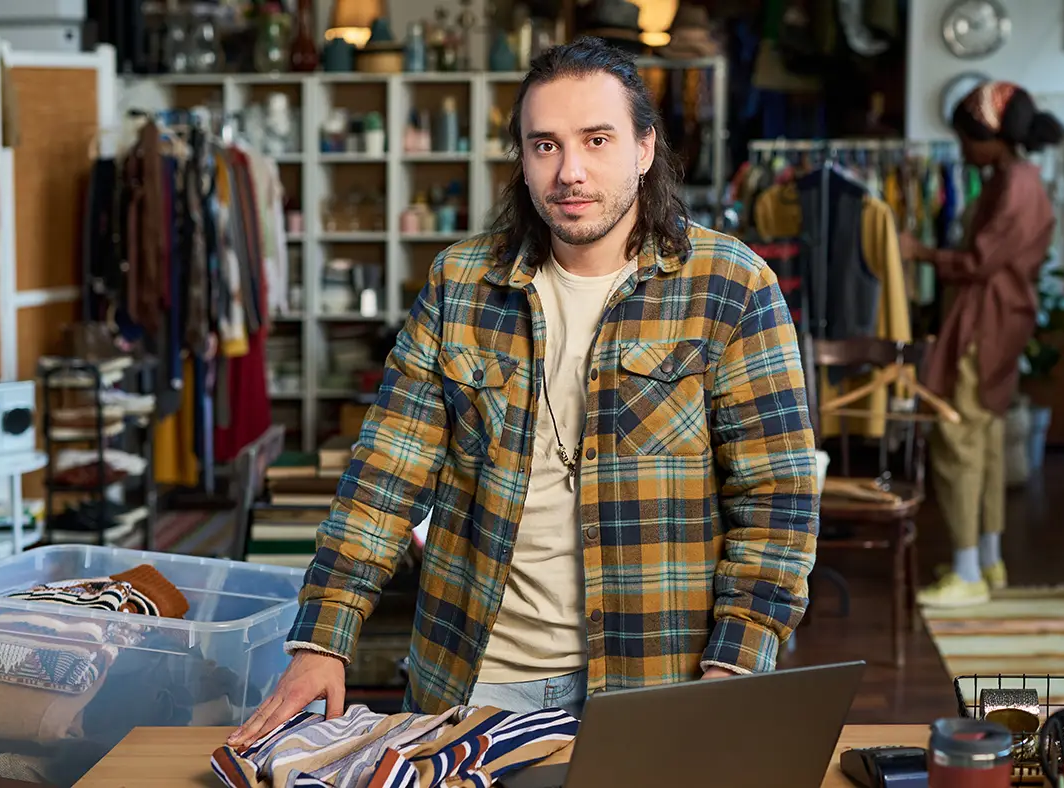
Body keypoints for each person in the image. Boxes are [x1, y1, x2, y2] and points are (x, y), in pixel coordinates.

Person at [227, 37, 818, 748]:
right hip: (473, 678)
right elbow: (385, 474)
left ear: (644, 148)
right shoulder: (460, 285)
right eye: (545, 146)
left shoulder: (732, 285)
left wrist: (735, 668)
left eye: (596, 140)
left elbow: (777, 501)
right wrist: (322, 639)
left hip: (661, 680)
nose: (570, 172)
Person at [898, 81, 1064, 608]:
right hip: (1000, 324)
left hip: (984, 325)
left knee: (958, 442)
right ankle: (987, 560)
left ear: (991, 137)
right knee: (985, 443)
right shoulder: (1015, 179)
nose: (963, 150)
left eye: (967, 139)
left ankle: (968, 571)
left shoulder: (1012, 186)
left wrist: (918, 251)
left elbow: (978, 263)